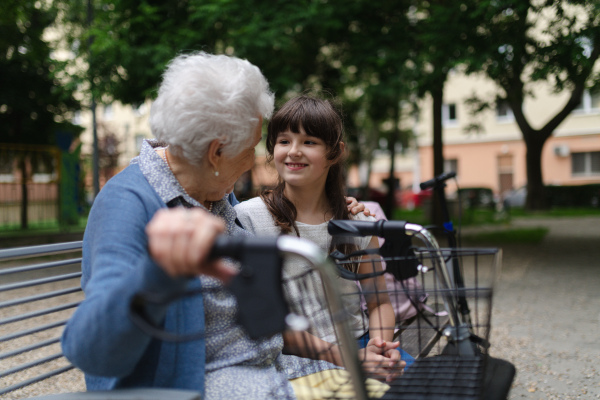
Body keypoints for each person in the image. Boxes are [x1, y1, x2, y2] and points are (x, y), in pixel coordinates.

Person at [61, 53, 376, 400]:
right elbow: (93, 352)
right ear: (216, 153)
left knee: (379, 389)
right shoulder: (128, 203)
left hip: (273, 367)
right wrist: (158, 272)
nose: (254, 160)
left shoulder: (214, 196)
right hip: (195, 384)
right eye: (251, 147)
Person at [234, 95, 409, 383]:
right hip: (293, 361)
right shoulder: (250, 220)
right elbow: (266, 322)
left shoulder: (358, 222)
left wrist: (380, 348)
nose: (294, 151)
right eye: (284, 141)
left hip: (360, 346)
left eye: (309, 142)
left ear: (335, 152)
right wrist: (350, 360)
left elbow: (379, 303)